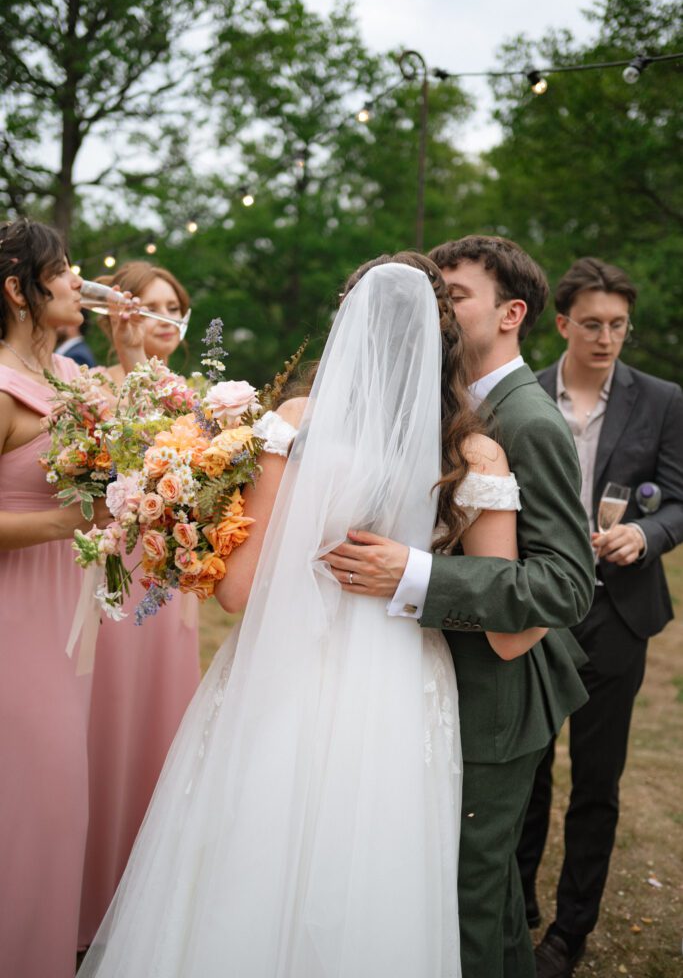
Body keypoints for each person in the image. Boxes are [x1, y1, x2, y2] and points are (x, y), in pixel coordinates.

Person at [79, 254, 547, 977]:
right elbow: (514, 628)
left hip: (281, 674)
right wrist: (415, 575)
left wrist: (194, 529)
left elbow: (235, 593)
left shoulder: (297, 423)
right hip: (399, 687)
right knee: (376, 868)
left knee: (250, 850)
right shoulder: (475, 453)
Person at [323, 236, 595, 978]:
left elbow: (565, 586)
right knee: (478, 881)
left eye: (455, 295)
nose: (437, 307)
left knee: (464, 885)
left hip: (497, 694)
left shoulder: (524, 422)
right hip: (435, 682)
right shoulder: (438, 411)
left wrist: (412, 574)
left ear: (510, 315)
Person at [516, 257, 683, 977]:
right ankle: (511, 903)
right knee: (524, 766)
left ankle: (569, 931)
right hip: (531, 604)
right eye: (591, 324)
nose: (606, 338)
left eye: (617, 325)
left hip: (616, 609)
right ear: (561, 324)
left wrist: (644, 536)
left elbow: (678, 500)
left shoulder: (663, 399)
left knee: (596, 778)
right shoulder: (518, 395)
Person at [0, 218, 112, 978]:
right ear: (17, 290)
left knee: (62, 804)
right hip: (13, 620)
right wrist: (57, 522)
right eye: (63, 269)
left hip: (71, 625)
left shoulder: (77, 382)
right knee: (27, 803)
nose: (77, 280)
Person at [79, 261, 201, 949]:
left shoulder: (200, 398)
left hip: (171, 587)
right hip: (110, 583)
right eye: (149, 304)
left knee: (160, 732)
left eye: (174, 306)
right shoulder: (92, 388)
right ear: (119, 313)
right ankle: (88, 893)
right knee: (106, 728)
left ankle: (142, 899)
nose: (163, 317)